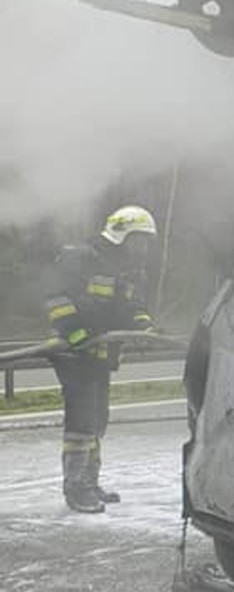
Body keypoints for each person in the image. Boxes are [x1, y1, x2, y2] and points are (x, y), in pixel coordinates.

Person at [43, 205, 158, 512]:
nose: (144, 248)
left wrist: (143, 325)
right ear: (122, 233)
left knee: (98, 418)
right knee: (81, 420)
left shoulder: (130, 271)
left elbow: (133, 306)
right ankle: (76, 487)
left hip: (99, 355)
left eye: (147, 241)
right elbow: (56, 299)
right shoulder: (80, 256)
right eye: (140, 239)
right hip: (73, 352)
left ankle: (90, 482)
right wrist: (76, 334)